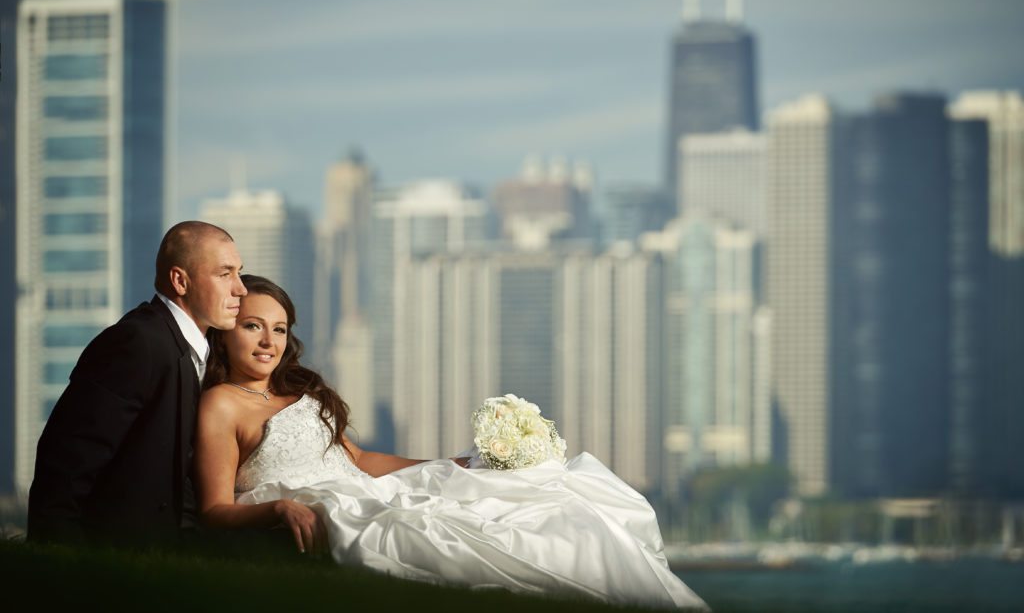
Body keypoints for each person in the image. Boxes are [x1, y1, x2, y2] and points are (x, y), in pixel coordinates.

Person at [196, 275, 708, 611]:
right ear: (225, 333)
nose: (269, 341)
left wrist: (448, 463)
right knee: (475, 539)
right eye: (252, 327)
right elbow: (215, 508)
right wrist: (279, 509)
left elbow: (360, 460)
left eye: (279, 329)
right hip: (330, 505)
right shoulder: (221, 403)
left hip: (368, 487)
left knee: (548, 498)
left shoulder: (298, 393)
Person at [27, 221, 247, 548]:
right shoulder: (136, 342)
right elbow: (67, 462)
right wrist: (62, 564)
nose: (240, 288)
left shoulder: (200, 350)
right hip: (115, 564)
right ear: (180, 280)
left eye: (239, 272)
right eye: (224, 274)